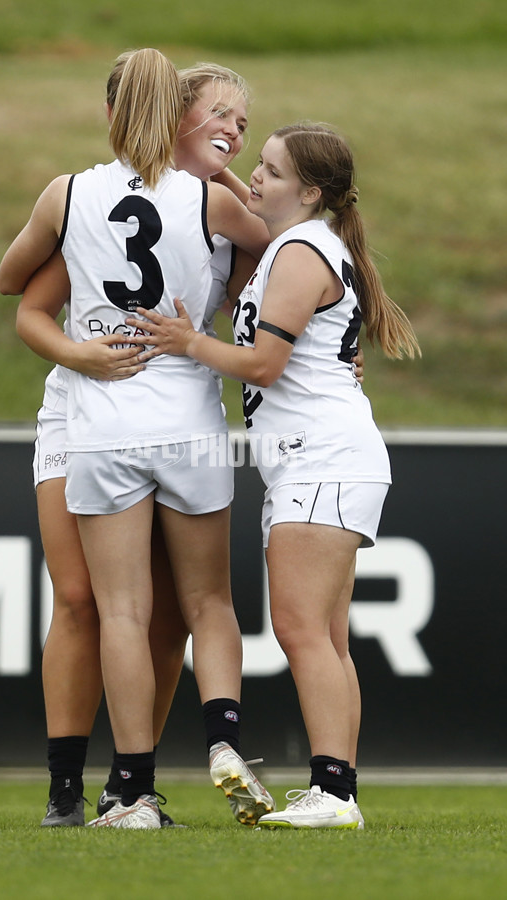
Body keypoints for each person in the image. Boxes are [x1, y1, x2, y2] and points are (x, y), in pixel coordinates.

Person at [0, 48, 275, 830]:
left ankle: (130, 787)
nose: (232, 131)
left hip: (107, 419)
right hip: (164, 414)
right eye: (219, 115)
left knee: (136, 612)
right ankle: (126, 776)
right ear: (172, 115)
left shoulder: (74, 192)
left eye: (241, 125)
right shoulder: (208, 206)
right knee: (130, 601)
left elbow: (10, 279)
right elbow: (281, 258)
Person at [126, 121, 420, 830]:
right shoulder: (304, 241)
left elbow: (263, 365)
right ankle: (337, 790)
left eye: (272, 171)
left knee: (299, 628)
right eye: (256, 165)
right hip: (326, 457)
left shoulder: (299, 250)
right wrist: (212, 169)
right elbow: (258, 216)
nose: (254, 177)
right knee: (326, 635)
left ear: (311, 192)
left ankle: (333, 793)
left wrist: (187, 342)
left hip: (322, 457)